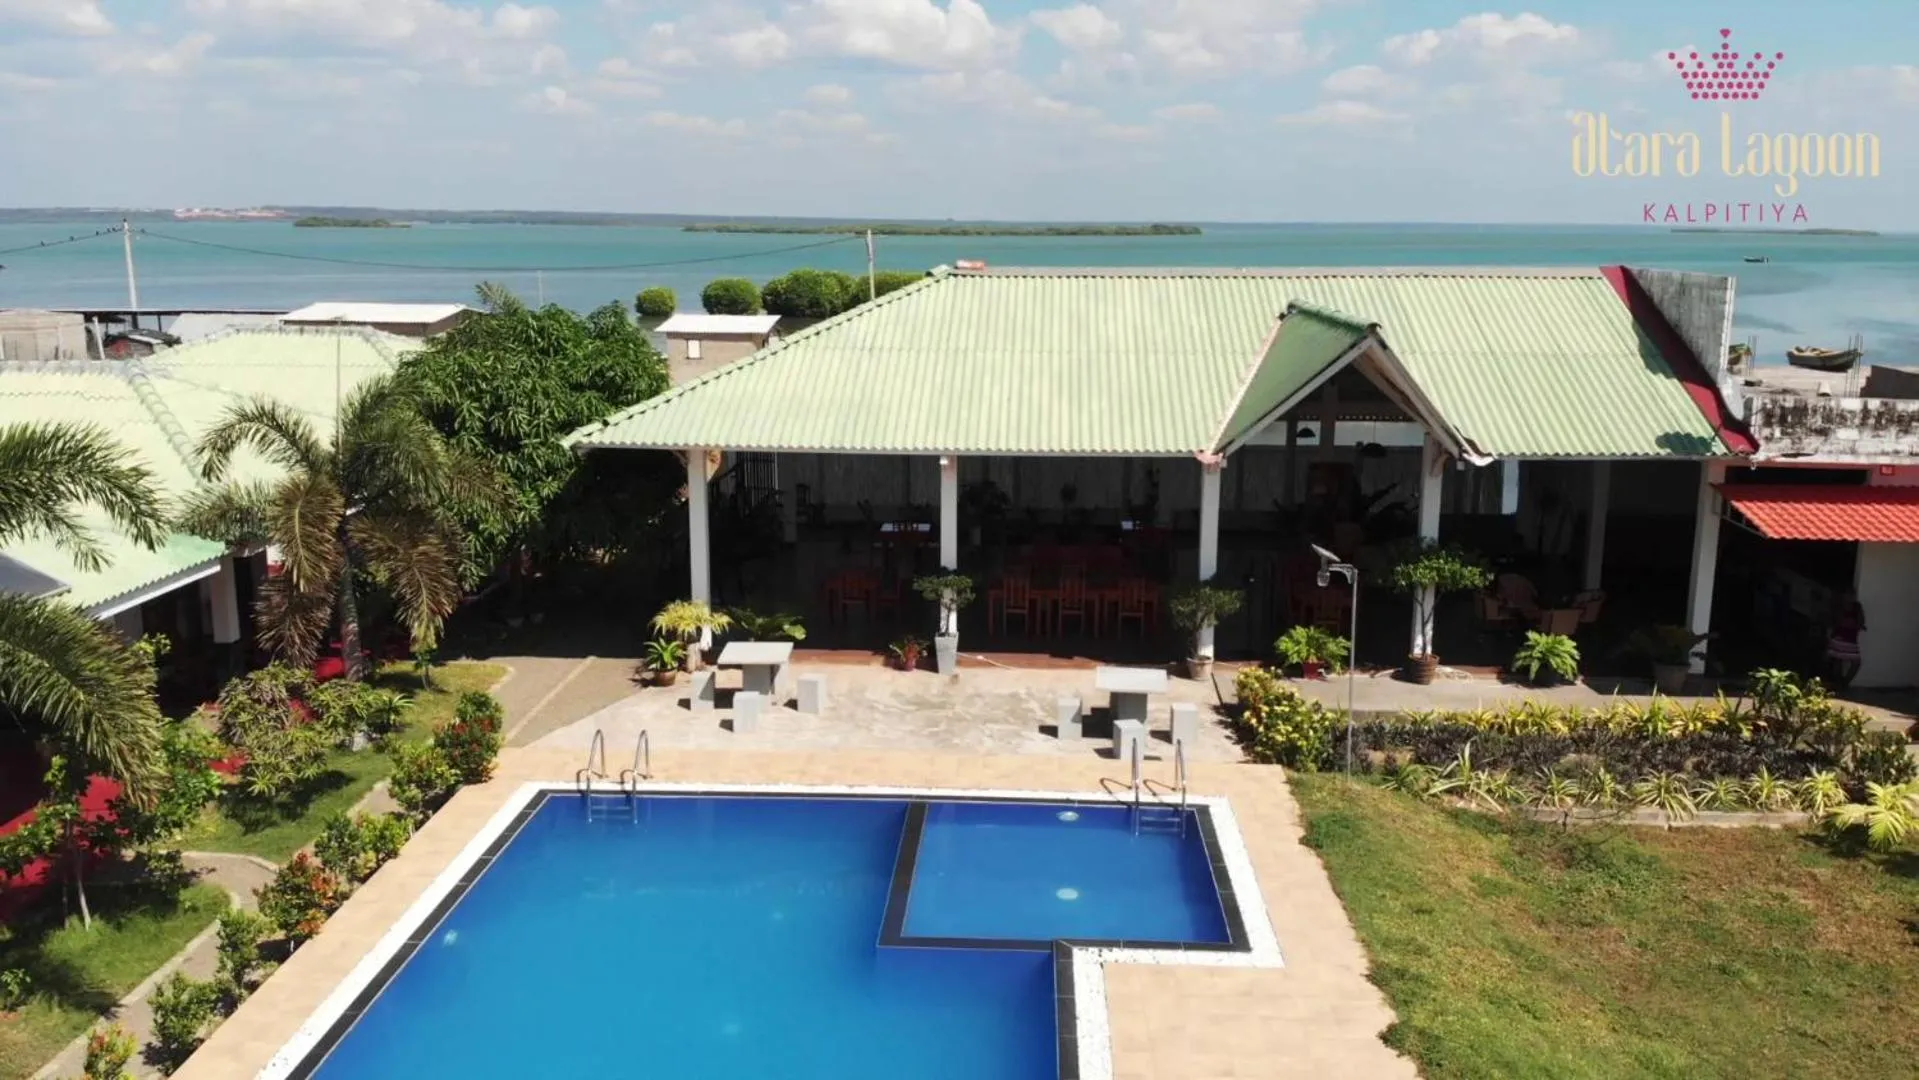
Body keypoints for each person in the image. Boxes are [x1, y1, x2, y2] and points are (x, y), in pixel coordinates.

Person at [1826, 590, 1866, 688]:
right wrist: (1853, 624)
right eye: (1847, 595)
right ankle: (1839, 683)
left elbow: (1861, 621)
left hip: (1851, 639)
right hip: (1839, 637)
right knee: (1838, 660)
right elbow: (1839, 621)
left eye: (1851, 595)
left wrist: (1855, 624)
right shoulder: (1839, 606)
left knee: (1856, 662)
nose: (1850, 597)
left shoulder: (1857, 607)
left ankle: (1844, 683)